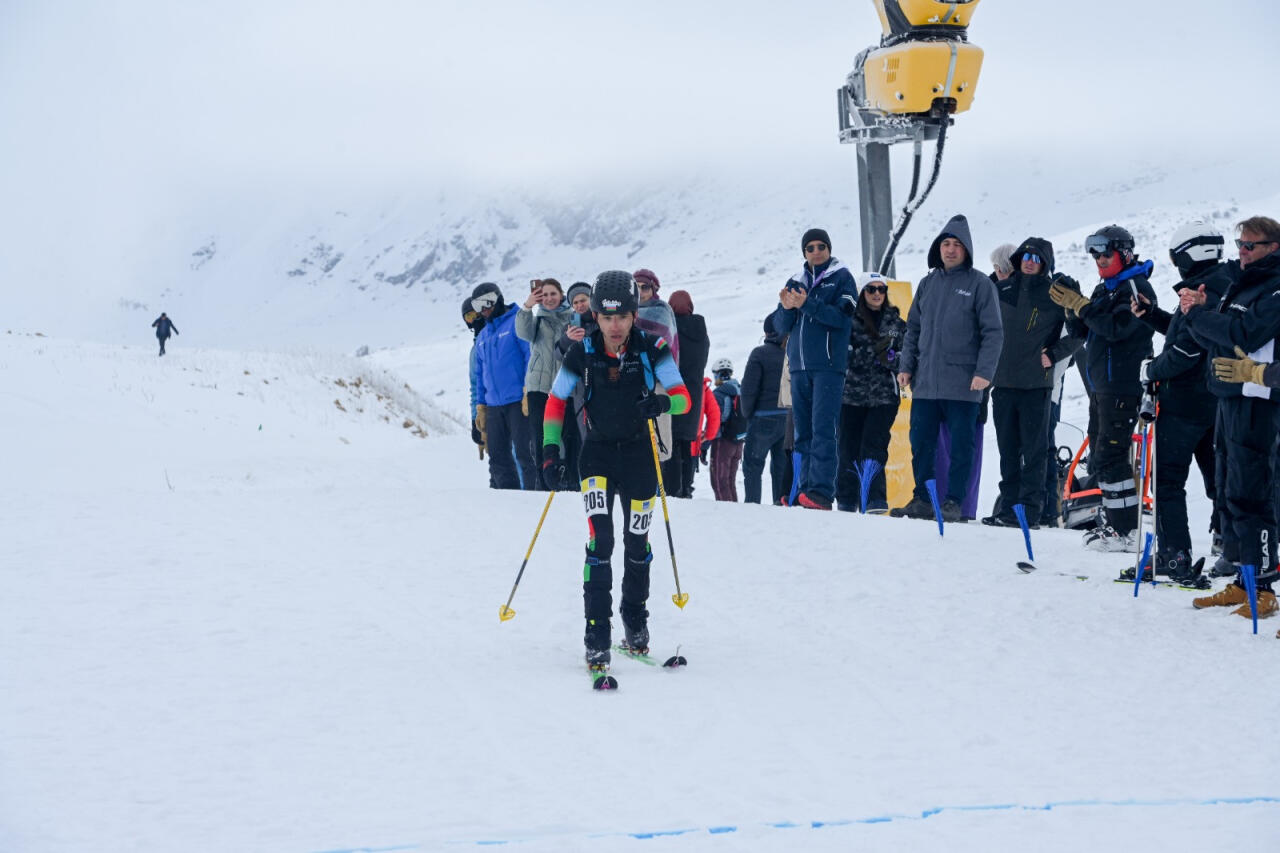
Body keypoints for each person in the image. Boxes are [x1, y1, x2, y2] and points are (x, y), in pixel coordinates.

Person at [540, 271, 692, 669]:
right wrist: (550, 450)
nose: (615, 326)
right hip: (597, 456)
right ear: (595, 316)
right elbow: (555, 402)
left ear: (633, 313)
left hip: (641, 457)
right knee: (601, 540)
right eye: (606, 318)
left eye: (622, 316)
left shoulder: (652, 347)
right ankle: (596, 633)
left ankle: (635, 622)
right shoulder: (583, 351)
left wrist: (661, 405)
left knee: (637, 544)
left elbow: (682, 398)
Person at [1181, 216, 1280, 621]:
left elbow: (1245, 336)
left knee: (1251, 494)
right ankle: (1243, 581)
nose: (1242, 251)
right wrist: (1195, 313)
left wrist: (1203, 318)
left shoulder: (1274, 287)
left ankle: (1264, 587)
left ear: (1273, 247)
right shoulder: (1243, 282)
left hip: (1259, 401)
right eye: (1240, 244)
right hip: (1229, 396)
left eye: (1251, 246)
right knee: (1226, 491)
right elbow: (1216, 337)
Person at [1127, 222, 1232, 583]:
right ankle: (1235, 551)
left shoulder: (1202, 289)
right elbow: (1190, 331)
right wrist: (1154, 315)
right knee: (1220, 479)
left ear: (1189, 254)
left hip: (1184, 400)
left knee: (1169, 481)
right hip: (1213, 401)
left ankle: (1174, 556)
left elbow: (1188, 348)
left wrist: (1151, 370)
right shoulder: (1223, 285)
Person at [1049, 225, 1159, 551]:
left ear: (1124, 254)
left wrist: (1081, 304)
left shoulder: (1136, 288)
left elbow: (1116, 328)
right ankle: (1116, 525)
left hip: (1121, 386)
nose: (1099, 259)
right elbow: (1083, 331)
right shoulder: (1105, 289)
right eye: (1095, 253)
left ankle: (1127, 532)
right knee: (1101, 458)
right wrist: (1071, 308)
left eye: (1106, 253)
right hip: (1101, 388)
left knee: (1112, 457)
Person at [893, 214, 1004, 522]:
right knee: (921, 443)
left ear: (966, 249)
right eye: (946, 243)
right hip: (926, 382)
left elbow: (993, 333)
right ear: (938, 248)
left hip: (964, 383)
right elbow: (912, 329)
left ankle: (954, 501)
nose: (951, 250)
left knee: (960, 447)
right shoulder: (928, 284)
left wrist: (984, 373)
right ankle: (923, 499)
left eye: (957, 244)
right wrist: (906, 367)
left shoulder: (980, 285)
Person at [984, 239, 1081, 527]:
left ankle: (1030, 511)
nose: (1029, 261)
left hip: (1036, 387)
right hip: (1002, 385)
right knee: (1008, 451)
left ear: (1045, 263)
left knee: (1035, 452)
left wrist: (1054, 354)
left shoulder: (1055, 294)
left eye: (1036, 257)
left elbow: (1080, 331)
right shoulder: (1000, 290)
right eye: (1025, 255)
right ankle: (1008, 510)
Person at [771, 228, 859, 510]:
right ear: (804, 253)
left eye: (822, 246)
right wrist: (786, 308)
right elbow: (780, 327)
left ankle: (820, 491)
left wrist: (806, 303)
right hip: (799, 367)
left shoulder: (842, 277)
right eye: (810, 247)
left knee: (823, 429)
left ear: (829, 248)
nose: (817, 251)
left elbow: (841, 319)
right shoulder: (795, 282)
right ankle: (803, 488)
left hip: (829, 366)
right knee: (802, 432)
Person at [837, 272, 905, 513]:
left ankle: (875, 498)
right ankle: (846, 499)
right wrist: (868, 353)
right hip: (850, 396)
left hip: (884, 397)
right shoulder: (848, 320)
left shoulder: (895, 321)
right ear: (861, 292)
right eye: (871, 289)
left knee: (874, 446)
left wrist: (890, 359)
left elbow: (909, 355)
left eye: (881, 289)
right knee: (848, 448)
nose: (877, 294)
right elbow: (840, 355)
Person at [472, 282, 538, 490]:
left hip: (518, 401)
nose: (484, 309)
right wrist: (481, 408)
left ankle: (533, 497)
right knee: (497, 456)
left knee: (525, 453)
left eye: (488, 302)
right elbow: (481, 377)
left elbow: (530, 356)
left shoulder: (516, 322)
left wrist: (529, 390)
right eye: (478, 306)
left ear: (499, 298)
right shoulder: (483, 337)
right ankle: (507, 500)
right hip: (493, 406)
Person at [515, 278, 574, 490]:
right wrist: (528, 306)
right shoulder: (537, 319)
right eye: (545, 295)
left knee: (565, 434)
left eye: (553, 294)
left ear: (561, 295)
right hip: (538, 387)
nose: (549, 299)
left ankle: (567, 478)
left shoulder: (572, 317)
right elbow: (522, 332)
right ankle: (544, 482)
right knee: (539, 435)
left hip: (563, 386)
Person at [740, 316, 790, 505]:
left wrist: (747, 413)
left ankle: (753, 505)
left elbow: (749, 388)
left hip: (763, 418)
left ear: (767, 332)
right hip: (787, 419)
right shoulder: (791, 354)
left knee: (753, 465)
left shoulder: (759, 354)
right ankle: (780, 504)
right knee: (781, 467)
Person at [666, 290, 710, 498]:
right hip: (693, 393)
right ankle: (686, 486)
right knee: (685, 442)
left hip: (673, 389)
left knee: (670, 441)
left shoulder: (669, 329)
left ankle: (673, 488)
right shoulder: (701, 332)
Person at [461, 297, 492, 482]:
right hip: (489, 411)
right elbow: (475, 386)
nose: (474, 320)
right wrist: (476, 421)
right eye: (469, 317)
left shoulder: (499, 336)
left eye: (476, 314)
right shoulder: (475, 349)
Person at [709, 358, 746, 501]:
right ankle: (734, 514)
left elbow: (717, 420)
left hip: (723, 441)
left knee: (719, 482)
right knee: (730, 481)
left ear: (718, 375)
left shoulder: (719, 393)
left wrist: (706, 444)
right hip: (738, 440)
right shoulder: (740, 389)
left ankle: (725, 517)